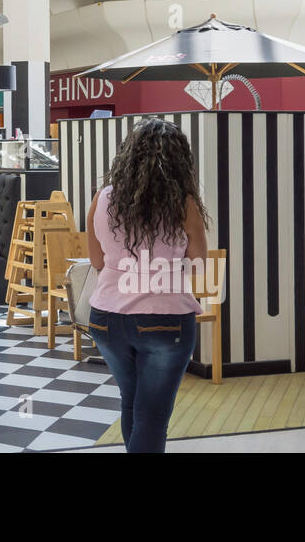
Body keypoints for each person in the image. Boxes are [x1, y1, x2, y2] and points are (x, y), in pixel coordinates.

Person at [84, 118, 209, 453]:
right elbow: (200, 265)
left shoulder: (103, 198)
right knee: (152, 416)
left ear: (128, 156)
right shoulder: (184, 204)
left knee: (132, 402)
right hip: (166, 321)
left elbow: (96, 261)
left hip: (106, 318)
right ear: (180, 161)